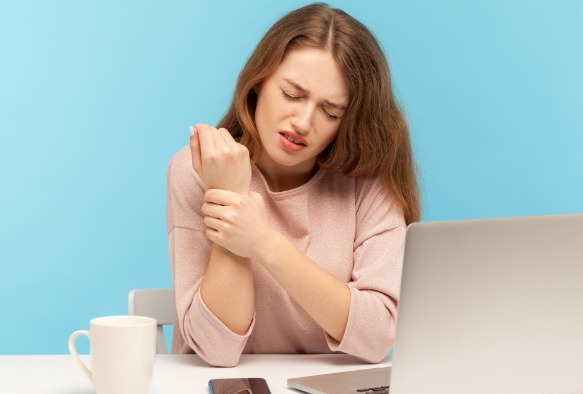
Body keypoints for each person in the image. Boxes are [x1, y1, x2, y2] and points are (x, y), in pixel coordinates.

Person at [166, 2, 420, 367]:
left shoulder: (368, 181)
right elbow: (218, 350)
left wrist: (264, 242)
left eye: (330, 112)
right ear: (258, 84)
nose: (302, 122)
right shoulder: (198, 169)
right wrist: (230, 195)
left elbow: (378, 334)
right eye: (291, 95)